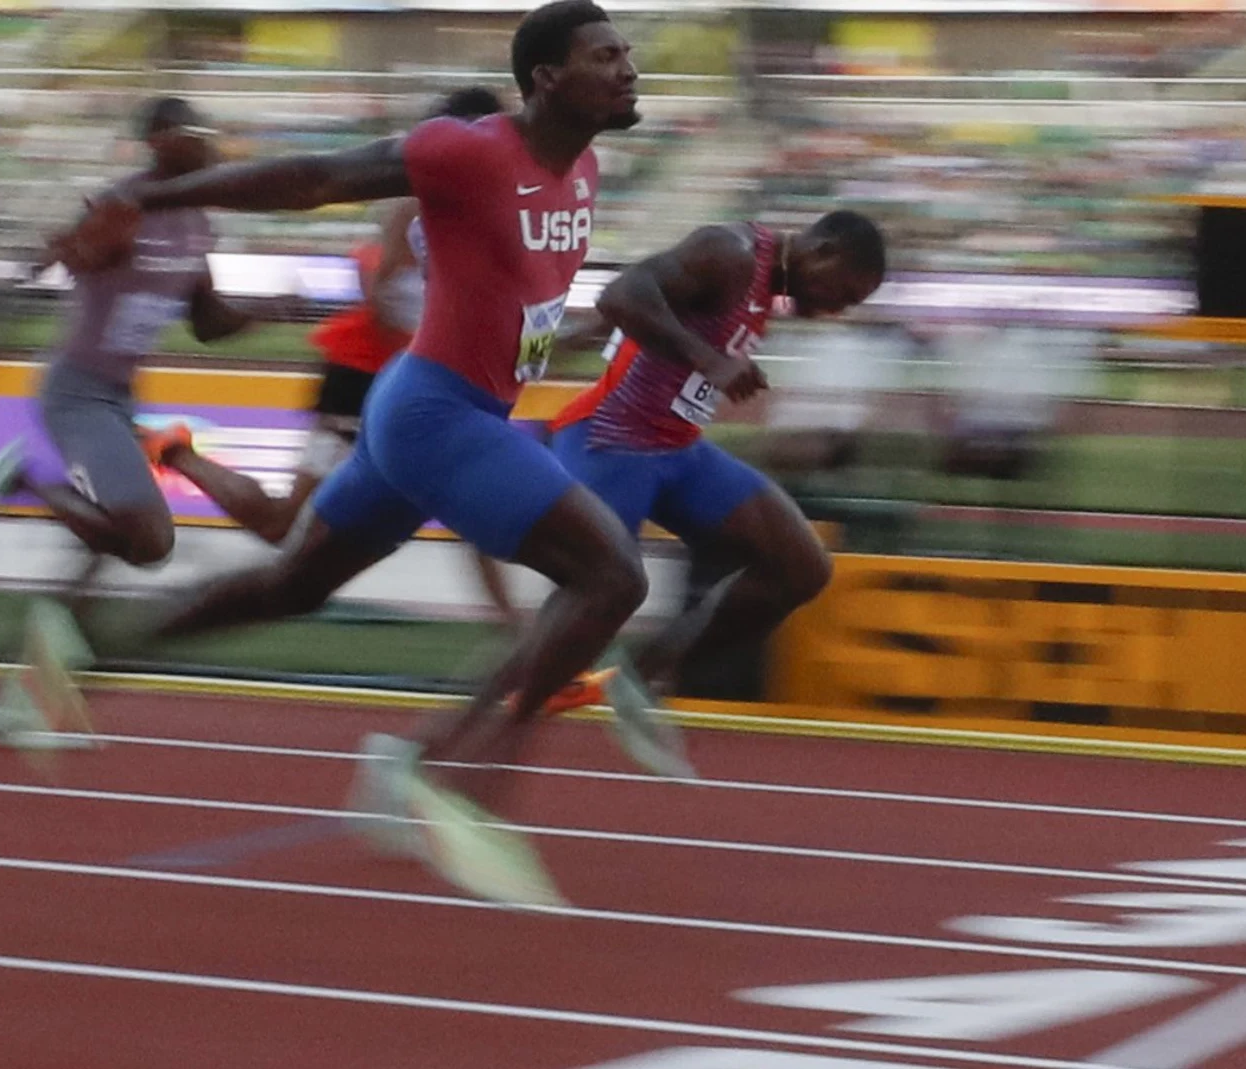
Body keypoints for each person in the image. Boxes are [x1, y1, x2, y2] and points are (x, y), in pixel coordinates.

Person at [55, 1, 668, 906]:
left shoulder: (584, 171)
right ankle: (459, 781)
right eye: (605, 55)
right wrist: (151, 195)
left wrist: (582, 332)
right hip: (436, 416)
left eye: (627, 53)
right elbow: (314, 177)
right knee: (613, 576)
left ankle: (96, 654)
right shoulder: (472, 150)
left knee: (292, 582)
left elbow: (521, 310)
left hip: (436, 413)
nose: (628, 69)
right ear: (547, 77)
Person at [143, 85, 609, 714]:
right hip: (370, 376)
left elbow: (517, 308)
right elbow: (379, 291)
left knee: (316, 572)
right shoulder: (417, 206)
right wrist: (444, 339)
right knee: (286, 527)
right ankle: (175, 453)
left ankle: (524, 660)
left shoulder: (513, 197)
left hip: (425, 391)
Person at [0, 97, 255, 738]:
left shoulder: (196, 221)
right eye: (198, 134)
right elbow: (70, 254)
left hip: (119, 398)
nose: (211, 144)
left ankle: (6, 693)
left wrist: (275, 309)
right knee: (147, 541)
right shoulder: (125, 203)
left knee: (92, 563)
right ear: (162, 141)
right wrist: (10, 289)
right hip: (78, 392)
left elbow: (208, 321)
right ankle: (21, 479)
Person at [545, 211, 884, 708]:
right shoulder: (731, 251)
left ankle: (637, 677)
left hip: (677, 449)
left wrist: (568, 344)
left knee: (804, 567)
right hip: (612, 438)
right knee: (595, 602)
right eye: (845, 293)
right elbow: (619, 296)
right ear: (823, 251)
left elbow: (633, 315)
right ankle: (494, 719)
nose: (838, 309)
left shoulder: (766, 283)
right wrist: (711, 360)